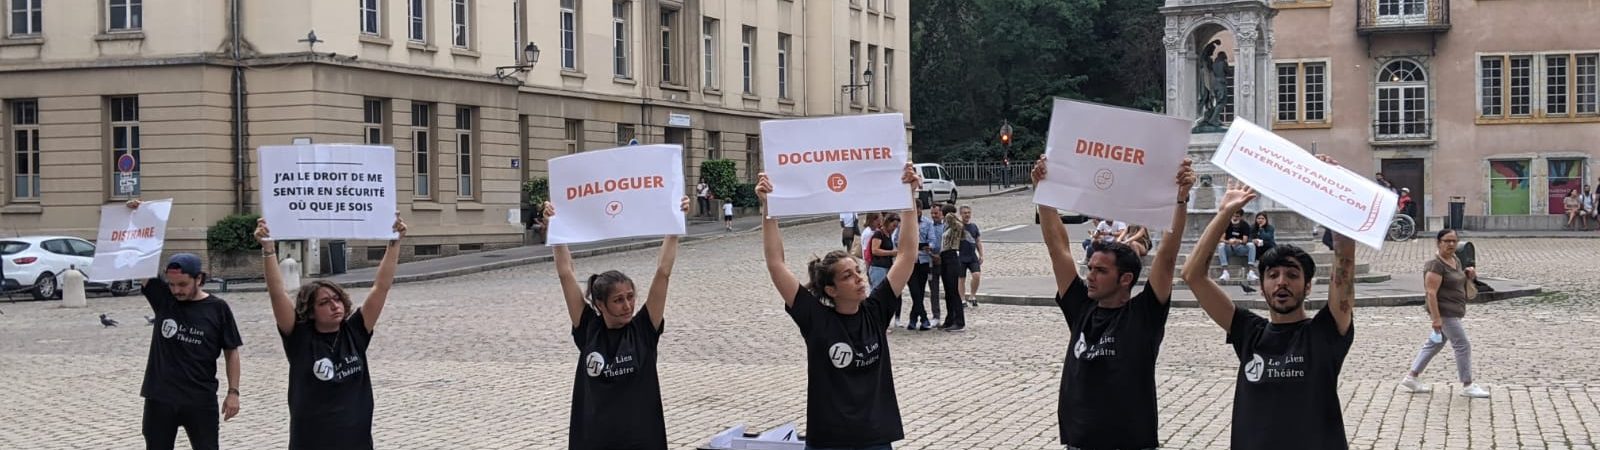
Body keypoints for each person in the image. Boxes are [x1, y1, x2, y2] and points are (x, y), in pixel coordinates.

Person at [1181, 160, 1358, 449]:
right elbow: (1192, 275)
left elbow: (1345, 258)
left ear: (1309, 285)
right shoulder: (1249, 331)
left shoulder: (1325, 331)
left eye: (1292, 275)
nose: (1281, 282)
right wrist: (1225, 213)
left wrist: (1337, 193)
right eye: (1272, 275)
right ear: (1262, 288)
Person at [1036, 156, 1195, 450]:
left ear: (1125, 279)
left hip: (1131, 442)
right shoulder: (1082, 307)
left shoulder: (1145, 314)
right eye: (1090, 269)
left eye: (1100, 271)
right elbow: (1057, 248)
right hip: (1080, 442)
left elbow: (1168, 256)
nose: (1090, 276)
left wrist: (1180, 199)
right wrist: (1044, 195)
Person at [758, 163, 919, 450]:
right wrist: (768, 208)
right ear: (831, 290)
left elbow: (906, 255)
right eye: (848, 276)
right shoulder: (816, 319)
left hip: (875, 438)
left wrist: (909, 198)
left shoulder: (875, 309)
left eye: (857, 271)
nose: (859, 279)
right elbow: (776, 264)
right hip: (829, 441)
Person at [254, 215, 407, 449]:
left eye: (337, 299)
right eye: (325, 302)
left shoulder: (355, 331)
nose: (335, 306)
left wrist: (394, 243)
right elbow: (277, 293)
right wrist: (268, 248)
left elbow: (381, 287)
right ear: (311, 311)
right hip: (311, 441)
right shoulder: (299, 336)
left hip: (355, 441)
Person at [554, 196, 688, 449]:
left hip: (640, 440)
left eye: (630, 297)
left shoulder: (643, 329)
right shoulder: (588, 329)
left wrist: (674, 226)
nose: (627, 306)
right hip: (594, 440)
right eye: (618, 300)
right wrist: (556, 228)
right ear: (600, 305)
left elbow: (663, 272)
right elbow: (565, 274)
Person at [129, 200, 243, 450]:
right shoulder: (164, 300)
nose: (176, 290)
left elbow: (231, 351)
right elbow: (141, 261)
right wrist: (141, 218)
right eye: (171, 284)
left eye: (182, 285)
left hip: (200, 399)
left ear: (199, 279)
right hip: (160, 398)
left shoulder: (217, 308)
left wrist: (233, 392)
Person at [1400, 229, 1491, 399]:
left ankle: (1411, 377)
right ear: (1438, 242)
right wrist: (1436, 318)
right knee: (1462, 345)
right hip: (1445, 312)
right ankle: (1467, 384)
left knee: (1434, 344)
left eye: (1454, 241)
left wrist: (1468, 275)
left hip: (1454, 309)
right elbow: (1431, 293)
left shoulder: (1454, 260)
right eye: (1447, 241)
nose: (1451, 244)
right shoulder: (1435, 265)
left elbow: (1456, 280)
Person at [906, 200, 939, 331]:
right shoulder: (905, 223)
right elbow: (896, 239)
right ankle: (924, 318)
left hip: (924, 260)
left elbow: (933, 240)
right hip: (910, 261)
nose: (916, 212)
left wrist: (928, 246)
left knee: (920, 291)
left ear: (920, 209)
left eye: (917, 209)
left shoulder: (928, 223)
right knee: (914, 290)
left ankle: (913, 319)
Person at [937, 209, 967, 332]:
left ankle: (959, 321)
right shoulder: (946, 227)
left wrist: (950, 216)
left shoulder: (956, 227)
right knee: (948, 291)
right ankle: (950, 319)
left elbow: (960, 226)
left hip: (952, 256)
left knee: (953, 291)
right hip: (944, 256)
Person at [1216, 209, 1258, 284]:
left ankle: (1251, 271)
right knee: (1221, 245)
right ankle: (1225, 272)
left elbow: (1245, 240)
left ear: (1241, 217)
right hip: (1229, 247)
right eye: (1233, 216)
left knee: (1251, 245)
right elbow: (1221, 239)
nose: (1235, 218)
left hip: (1240, 248)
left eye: (1237, 216)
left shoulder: (1244, 225)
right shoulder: (1227, 224)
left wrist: (1238, 241)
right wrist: (1229, 242)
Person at [958, 205, 985, 308]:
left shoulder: (973, 226)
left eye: (968, 213)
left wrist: (981, 254)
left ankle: (972, 296)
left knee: (976, 275)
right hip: (961, 256)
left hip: (972, 256)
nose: (967, 215)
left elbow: (978, 241)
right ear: (961, 214)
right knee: (961, 278)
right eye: (965, 213)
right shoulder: (958, 226)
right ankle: (962, 299)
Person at [868, 214, 900, 291]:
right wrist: (891, 253)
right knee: (878, 291)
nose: (894, 228)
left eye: (896, 227)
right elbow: (875, 250)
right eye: (893, 225)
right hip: (878, 268)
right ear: (888, 223)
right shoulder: (879, 233)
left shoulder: (889, 235)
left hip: (887, 267)